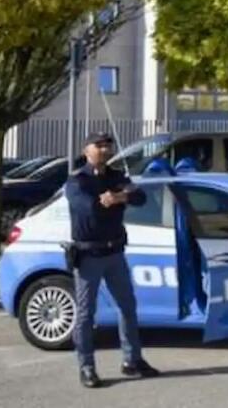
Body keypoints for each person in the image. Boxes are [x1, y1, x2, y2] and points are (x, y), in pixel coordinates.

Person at [65, 132, 160, 388]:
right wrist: (117, 198)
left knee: (128, 307)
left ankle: (132, 361)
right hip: (89, 255)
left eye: (108, 146)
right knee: (86, 315)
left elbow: (140, 198)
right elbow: (91, 207)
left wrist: (118, 197)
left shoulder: (116, 176)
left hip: (115, 253)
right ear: (86, 150)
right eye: (99, 146)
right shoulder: (77, 181)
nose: (105, 150)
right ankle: (86, 367)